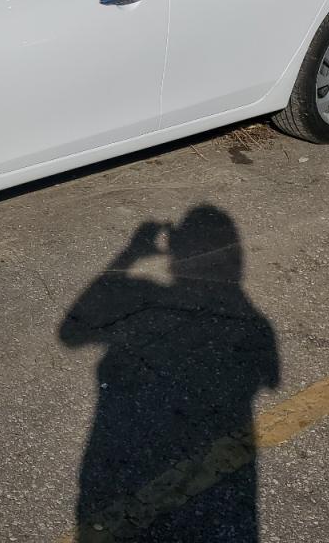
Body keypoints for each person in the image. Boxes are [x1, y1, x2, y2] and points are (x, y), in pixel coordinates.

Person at [60, 206, 280, 541]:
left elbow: (71, 333)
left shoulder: (157, 296)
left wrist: (131, 252)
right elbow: (271, 379)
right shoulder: (257, 325)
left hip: (123, 460)